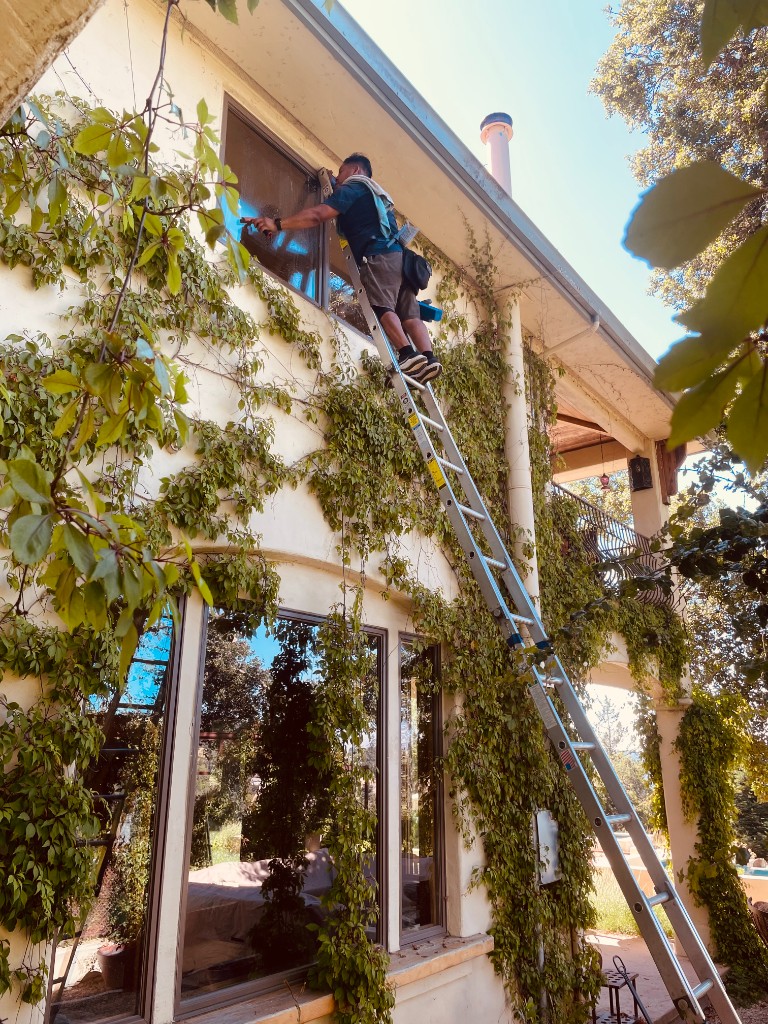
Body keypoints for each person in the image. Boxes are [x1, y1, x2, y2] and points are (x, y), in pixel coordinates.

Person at [242, 154, 442, 383]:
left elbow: (318, 215)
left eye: (341, 172)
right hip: (400, 262)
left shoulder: (354, 188)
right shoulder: (377, 195)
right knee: (409, 314)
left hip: (380, 258)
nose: (337, 178)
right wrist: (335, 185)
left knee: (382, 307)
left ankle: (407, 354)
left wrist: (277, 224)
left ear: (356, 170)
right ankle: (429, 358)